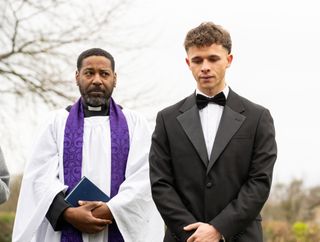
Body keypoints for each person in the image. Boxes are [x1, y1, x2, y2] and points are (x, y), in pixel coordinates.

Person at [13, 48, 164, 242]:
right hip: (65, 228)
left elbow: (144, 177)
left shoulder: (135, 123)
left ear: (115, 79)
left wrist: (111, 209)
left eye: (104, 74)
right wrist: (67, 212)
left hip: (117, 226)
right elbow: (39, 177)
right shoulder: (55, 122)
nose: (97, 80)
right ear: (77, 77)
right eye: (89, 73)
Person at [149, 22, 277, 242]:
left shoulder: (258, 117)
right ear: (188, 63)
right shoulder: (166, 119)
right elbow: (161, 183)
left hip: (240, 236)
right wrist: (192, 233)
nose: (204, 67)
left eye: (213, 59)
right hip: (184, 238)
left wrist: (218, 229)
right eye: (197, 60)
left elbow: (259, 183)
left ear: (228, 60)